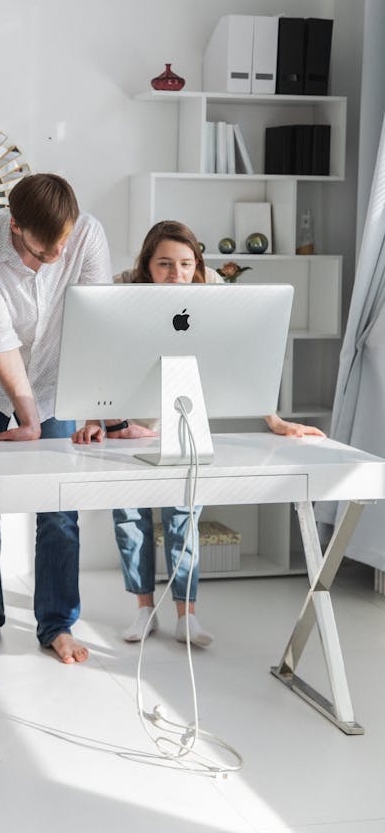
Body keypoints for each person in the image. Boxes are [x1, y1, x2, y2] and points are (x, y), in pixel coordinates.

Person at [73, 219, 324, 648]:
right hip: (127, 428)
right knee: (130, 520)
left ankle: (187, 615)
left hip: (184, 421)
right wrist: (96, 421)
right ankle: (143, 611)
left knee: (183, 516)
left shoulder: (213, 296)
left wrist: (275, 421)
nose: (177, 274)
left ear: (198, 264)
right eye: (165, 264)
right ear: (146, 266)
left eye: (186, 264)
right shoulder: (120, 291)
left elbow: (240, 357)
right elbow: (94, 352)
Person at [0, 173, 128, 664]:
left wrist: (96, 407)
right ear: (15, 225)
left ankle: (57, 624)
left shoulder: (87, 234)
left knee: (58, 501)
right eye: (43, 249)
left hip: (57, 377)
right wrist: (25, 420)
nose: (55, 256)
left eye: (62, 244)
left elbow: (99, 322)